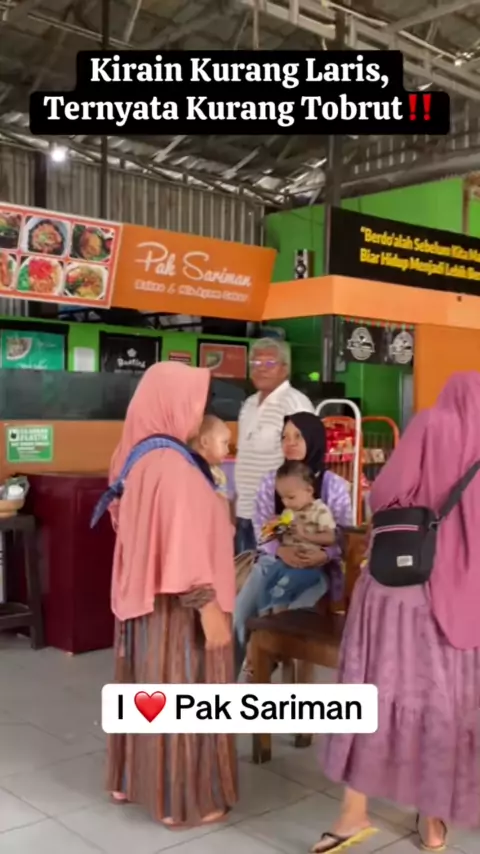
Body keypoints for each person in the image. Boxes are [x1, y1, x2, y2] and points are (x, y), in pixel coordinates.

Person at [316, 372, 480, 854]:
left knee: (374, 694)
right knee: (443, 707)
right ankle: (433, 819)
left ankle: (353, 814)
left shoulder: (431, 423)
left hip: (400, 588)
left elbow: (384, 493)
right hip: (462, 601)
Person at [102, 362, 237, 828]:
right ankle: (180, 801)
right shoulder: (174, 467)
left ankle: (129, 779)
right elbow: (185, 545)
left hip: (142, 598)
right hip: (181, 607)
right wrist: (209, 607)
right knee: (185, 693)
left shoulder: (133, 453)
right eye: (196, 403)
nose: (200, 413)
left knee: (145, 685)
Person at [234, 412, 353, 674]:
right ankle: (232, 677)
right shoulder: (271, 482)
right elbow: (261, 528)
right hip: (273, 562)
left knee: (290, 619)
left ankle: (266, 659)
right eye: (284, 437)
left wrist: (325, 555)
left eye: (298, 436)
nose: (290, 443)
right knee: (240, 615)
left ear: (313, 438)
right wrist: (280, 550)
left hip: (319, 569)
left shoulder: (333, 486)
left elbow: (345, 535)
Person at [234, 338, 314, 555]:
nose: (261, 369)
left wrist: (290, 511)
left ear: (285, 369)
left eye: (269, 363)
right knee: (242, 572)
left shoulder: (294, 404)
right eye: (255, 363)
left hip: (276, 514)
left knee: (268, 574)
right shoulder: (249, 404)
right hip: (245, 511)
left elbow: (305, 461)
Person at [257, 461, 336, 615]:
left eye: (291, 497)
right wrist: (275, 527)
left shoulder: (320, 511)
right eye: (282, 498)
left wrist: (305, 535)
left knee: (282, 588)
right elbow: (269, 537)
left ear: (309, 490)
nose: (286, 502)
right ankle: (264, 618)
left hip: (307, 564)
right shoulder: (289, 511)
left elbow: (330, 537)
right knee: (266, 584)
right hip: (286, 561)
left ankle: (279, 620)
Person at [191, 414, 232, 501]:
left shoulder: (218, 474)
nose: (228, 450)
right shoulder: (192, 473)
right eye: (224, 443)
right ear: (205, 442)